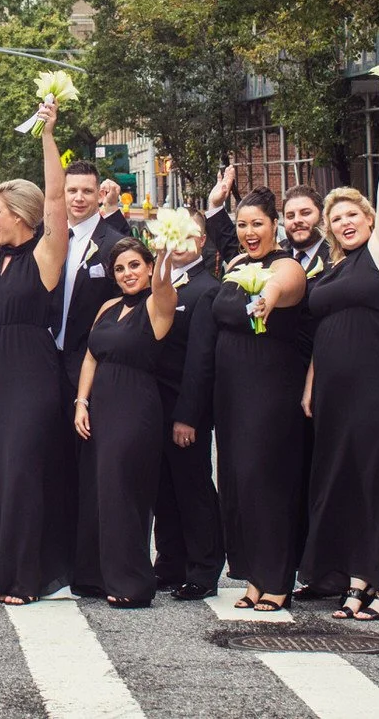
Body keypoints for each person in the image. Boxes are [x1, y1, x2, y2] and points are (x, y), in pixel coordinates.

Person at [301, 93, 379, 621]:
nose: (345, 222)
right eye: (337, 217)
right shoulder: (330, 271)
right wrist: (311, 384)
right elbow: (322, 330)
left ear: (373, 219)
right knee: (346, 484)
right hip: (334, 394)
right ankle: (356, 579)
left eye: (353, 214)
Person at [179, 187, 310, 612]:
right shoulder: (235, 265)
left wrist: (264, 301)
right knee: (236, 483)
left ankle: (276, 579)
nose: (250, 231)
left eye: (258, 223)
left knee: (265, 481)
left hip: (270, 390)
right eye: (242, 224)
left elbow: (282, 288)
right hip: (231, 394)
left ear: (276, 226)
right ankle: (254, 577)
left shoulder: (286, 265)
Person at [0, 103, 71, 604]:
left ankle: (24, 580)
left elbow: (56, 199)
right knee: (1, 474)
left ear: (22, 216)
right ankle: (3, 572)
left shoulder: (46, 253)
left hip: (33, 371)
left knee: (23, 471)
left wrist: (48, 135)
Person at [73, 238, 178, 607]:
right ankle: (95, 576)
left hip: (136, 405)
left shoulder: (158, 303)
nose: (127, 274)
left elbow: (164, 285)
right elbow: (90, 357)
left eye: (135, 265)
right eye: (120, 268)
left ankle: (131, 583)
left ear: (148, 267)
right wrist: (81, 402)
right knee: (98, 489)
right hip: (99, 405)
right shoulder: (107, 306)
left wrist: (164, 255)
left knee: (123, 490)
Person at [151, 230, 224, 600]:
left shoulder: (206, 289)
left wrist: (189, 415)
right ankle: (169, 562)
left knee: (192, 486)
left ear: (201, 241)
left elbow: (200, 358)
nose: (178, 245)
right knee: (163, 487)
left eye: (185, 237)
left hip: (184, 404)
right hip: (154, 403)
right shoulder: (160, 279)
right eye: (171, 237)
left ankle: (203, 568)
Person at [281, 185, 331, 278]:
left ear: (323, 217)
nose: (297, 220)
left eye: (305, 213)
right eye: (290, 216)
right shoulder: (276, 254)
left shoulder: (338, 255)